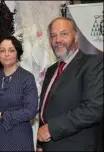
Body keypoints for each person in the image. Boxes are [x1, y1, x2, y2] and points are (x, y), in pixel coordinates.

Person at [37, 17, 103, 151]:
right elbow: (46, 109)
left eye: (63, 34)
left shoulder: (93, 63)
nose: (58, 40)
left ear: (76, 36)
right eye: (53, 36)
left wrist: (52, 128)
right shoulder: (51, 70)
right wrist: (41, 145)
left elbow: (94, 109)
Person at [0, 35, 38, 151]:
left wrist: (2, 116)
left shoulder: (27, 78)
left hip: (19, 137)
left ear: (18, 53)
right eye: (2, 51)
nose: (6, 54)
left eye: (11, 50)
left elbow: (31, 111)